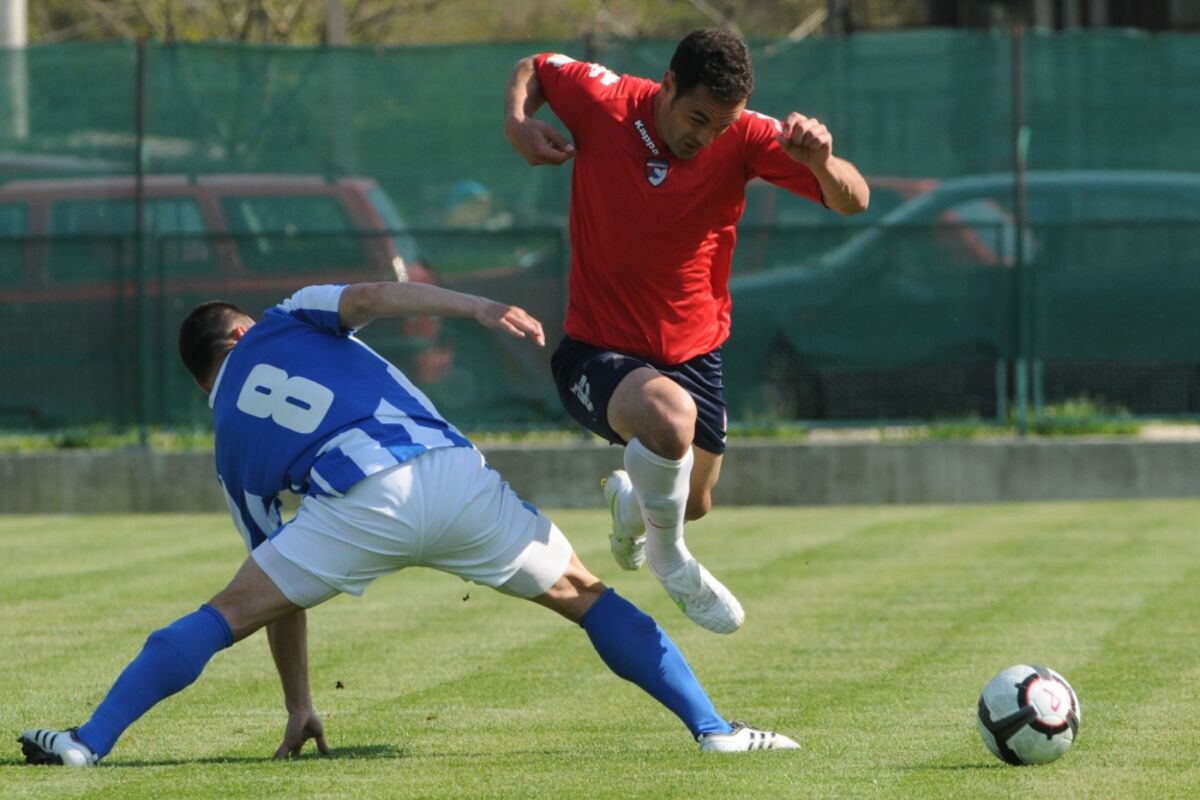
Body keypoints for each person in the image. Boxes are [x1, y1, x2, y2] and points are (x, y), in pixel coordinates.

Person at [17, 280, 799, 768]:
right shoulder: (286, 318)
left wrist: (298, 703)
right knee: (586, 596)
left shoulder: (228, 446)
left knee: (223, 615)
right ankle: (713, 728)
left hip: (355, 503)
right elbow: (373, 298)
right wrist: (479, 307)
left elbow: (276, 600)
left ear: (201, 383)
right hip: (448, 475)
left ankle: (89, 741)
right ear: (244, 332)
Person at [503, 29, 870, 634]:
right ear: (668, 84)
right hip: (595, 351)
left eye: (722, 125)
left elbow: (855, 201)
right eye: (698, 118)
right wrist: (517, 122)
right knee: (670, 421)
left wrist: (822, 162)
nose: (705, 137)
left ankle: (630, 508)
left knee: (693, 503)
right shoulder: (603, 99)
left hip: (695, 354)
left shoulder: (747, 136)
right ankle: (670, 560)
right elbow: (536, 66)